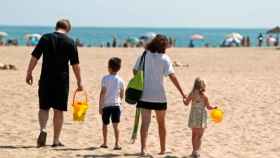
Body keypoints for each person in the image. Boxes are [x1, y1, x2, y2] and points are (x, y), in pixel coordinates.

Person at [26, 19, 83, 147]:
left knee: (43, 107)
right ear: (67, 29)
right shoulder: (70, 42)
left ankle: (43, 129)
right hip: (61, 81)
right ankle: (56, 140)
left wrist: (29, 72)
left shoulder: (45, 38)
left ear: (56, 27)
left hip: (45, 78)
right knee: (58, 110)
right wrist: (79, 82)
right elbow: (75, 65)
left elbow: (35, 57)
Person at [133, 34, 187, 155]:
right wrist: (182, 92)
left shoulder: (144, 55)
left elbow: (135, 70)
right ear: (163, 46)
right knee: (161, 123)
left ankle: (143, 149)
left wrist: (141, 79)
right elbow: (172, 76)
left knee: (145, 123)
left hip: (144, 95)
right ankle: (162, 149)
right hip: (159, 96)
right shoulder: (165, 58)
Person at [183, 78, 216, 158]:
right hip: (201, 116)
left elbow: (186, 103)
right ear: (203, 86)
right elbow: (208, 107)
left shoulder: (192, 93)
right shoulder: (205, 96)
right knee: (200, 135)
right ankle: (197, 151)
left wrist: (184, 99)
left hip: (193, 115)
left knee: (194, 134)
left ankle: (194, 151)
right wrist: (214, 107)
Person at [99, 57, 124, 150]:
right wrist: (119, 101)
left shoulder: (105, 78)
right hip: (116, 105)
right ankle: (117, 144)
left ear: (109, 68)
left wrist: (100, 106)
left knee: (105, 124)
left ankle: (105, 142)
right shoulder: (120, 80)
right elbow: (122, 93)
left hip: (106, 105)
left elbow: (102, 92)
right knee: (116, 126)